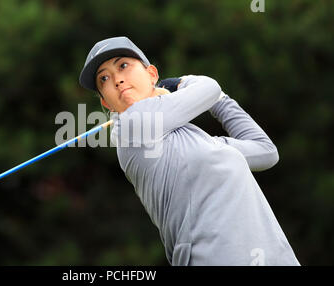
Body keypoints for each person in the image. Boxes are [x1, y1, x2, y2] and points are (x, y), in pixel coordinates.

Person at [79, 36, 300, 266]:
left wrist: (221, 101)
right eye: (103, 78)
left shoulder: (203, 144)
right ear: (106, 104)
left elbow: (265, 151)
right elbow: (209, 87)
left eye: (123, 65)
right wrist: (182, 83)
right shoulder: (130, 127)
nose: (116, 80)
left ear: (152, 74)